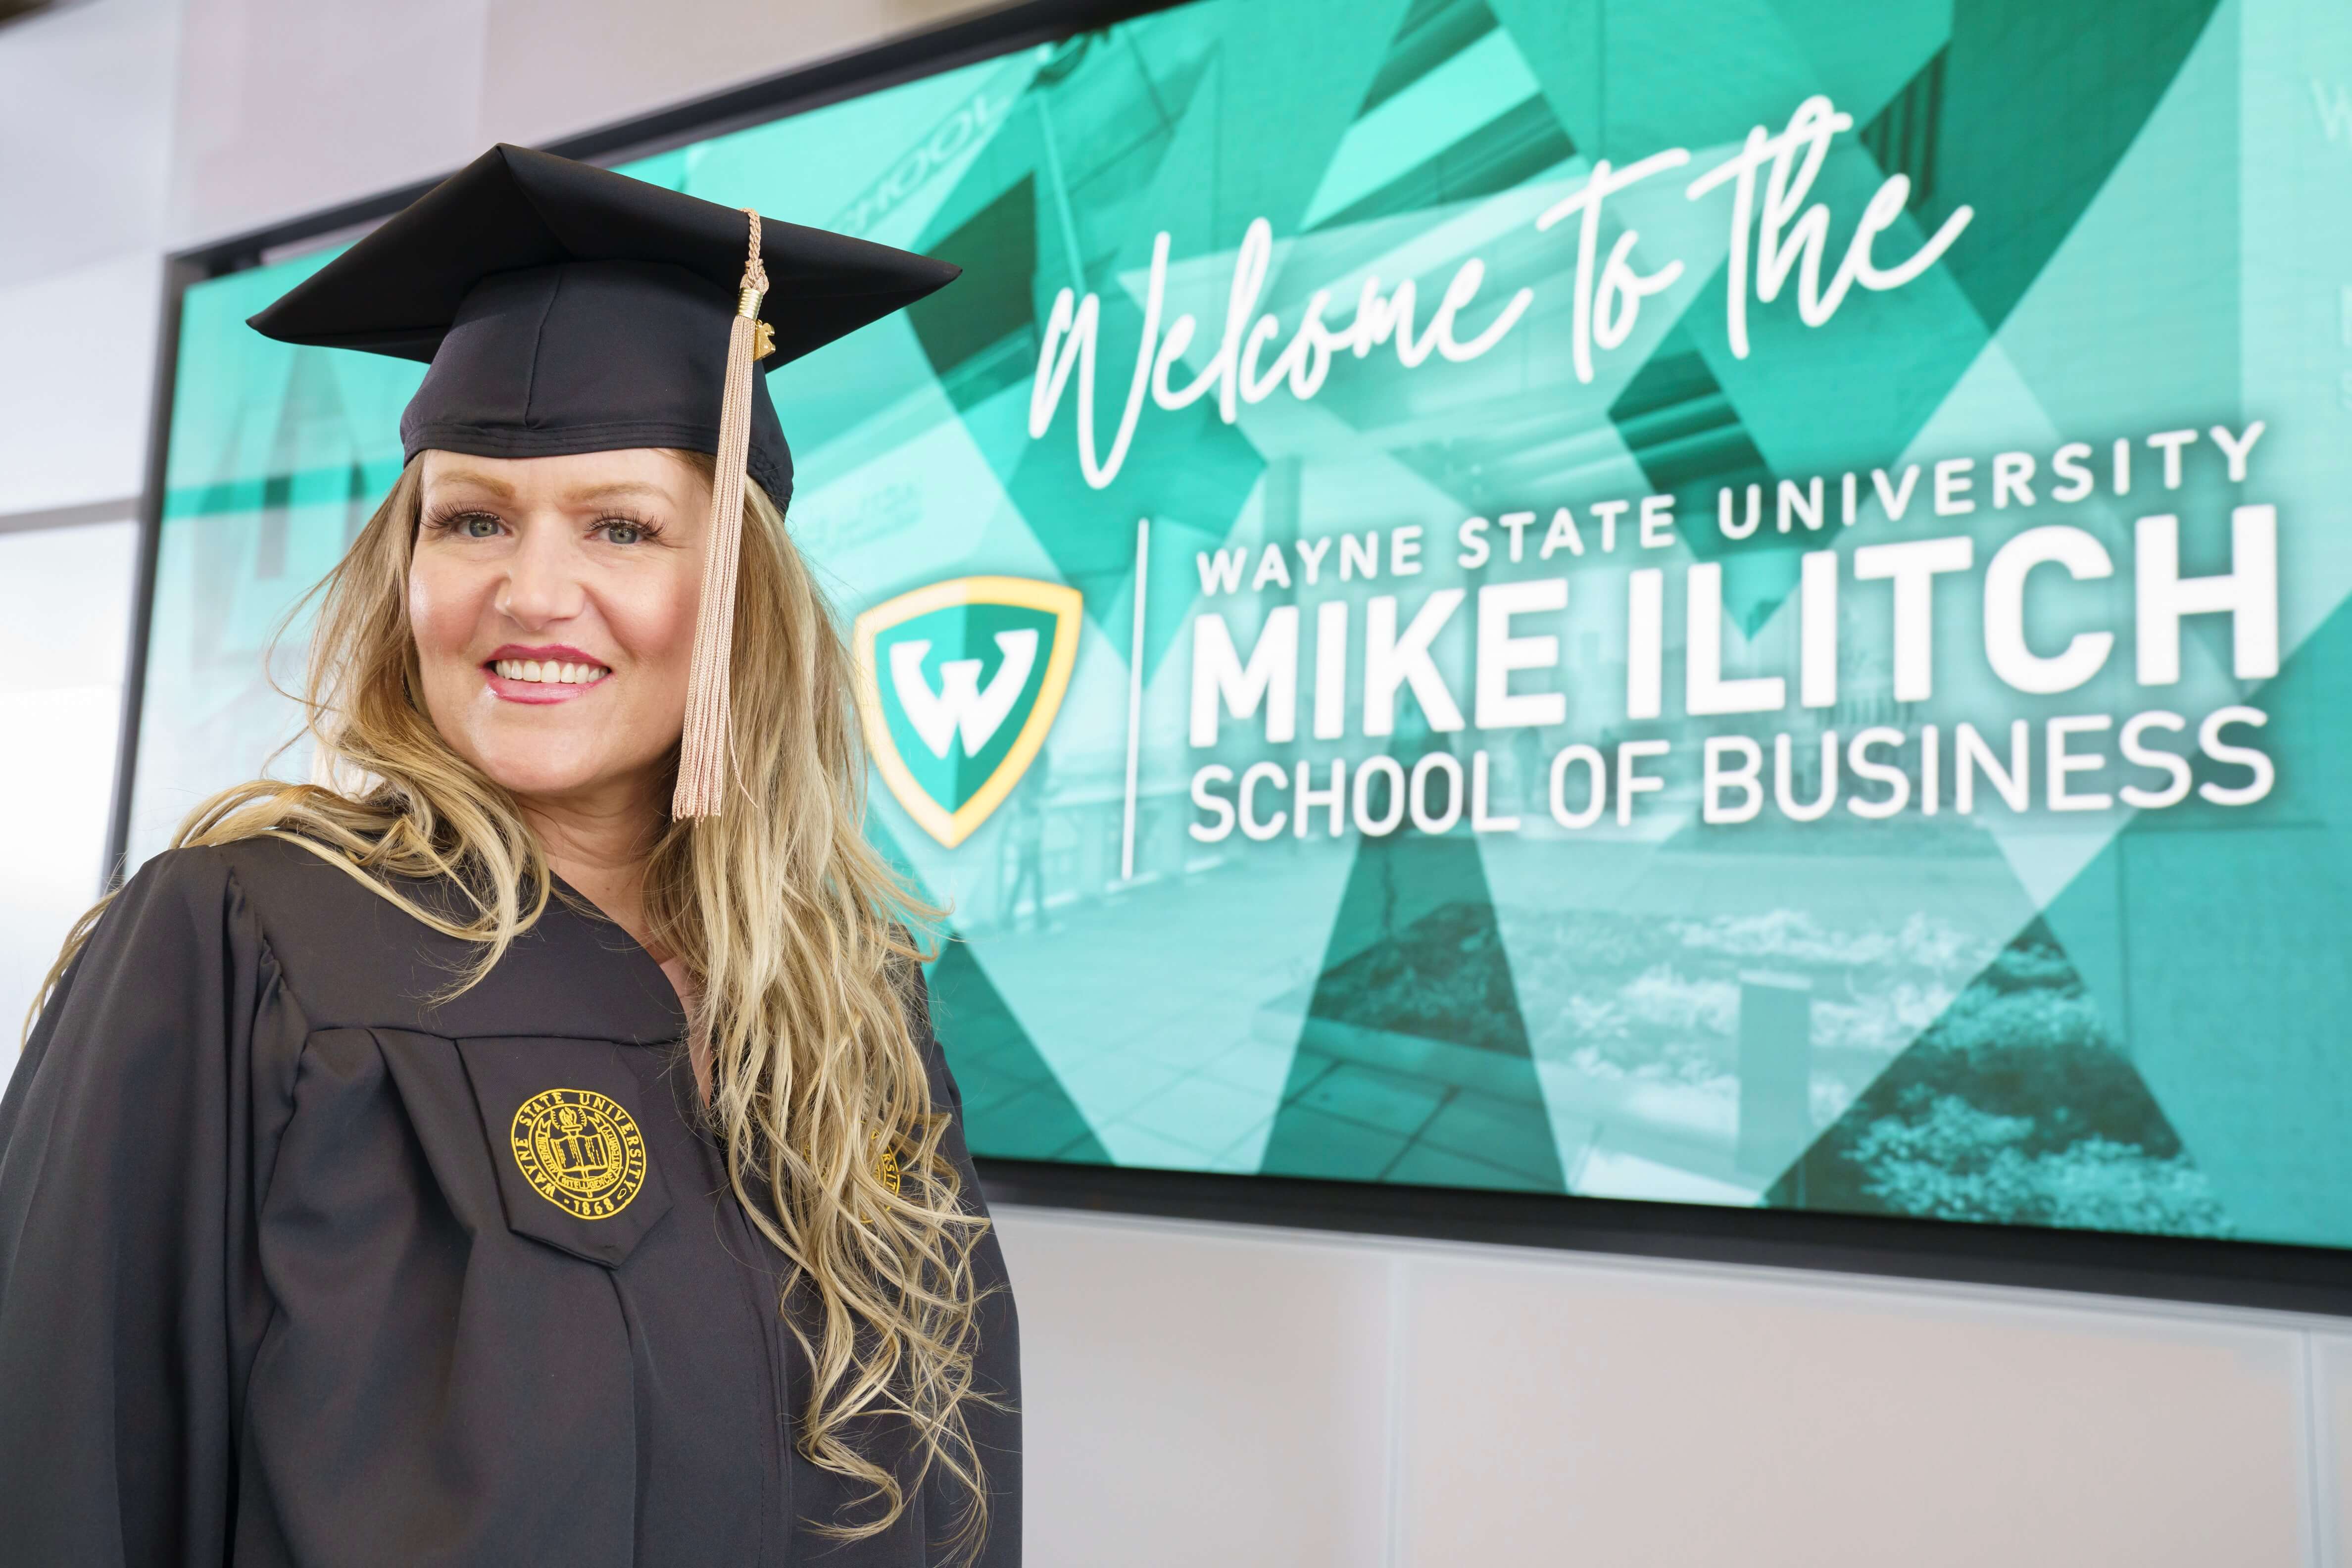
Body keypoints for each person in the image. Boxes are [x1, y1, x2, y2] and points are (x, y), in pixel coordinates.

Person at [0, 145, 1019, 1566]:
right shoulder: (246, 949)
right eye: (471, 518)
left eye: (622, 527)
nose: (532, 593)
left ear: (738, 594)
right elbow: (60, 1474)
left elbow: (960, 1498)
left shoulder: (856, 1009)